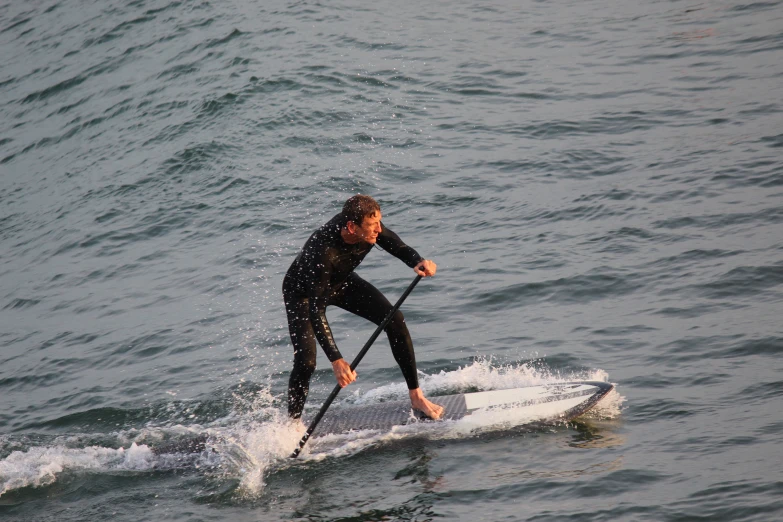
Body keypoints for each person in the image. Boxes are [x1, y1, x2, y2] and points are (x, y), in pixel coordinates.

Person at [283, 194, 444, 421]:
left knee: (395, 320)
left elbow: (397, 246)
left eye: (379, 222)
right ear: (351, 227)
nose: (378, 229)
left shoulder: (370, 226)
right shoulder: (322, 252)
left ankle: (417, 397)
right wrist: (336, 360)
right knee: (307, 362)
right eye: (372, 226)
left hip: (341, 282)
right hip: (304, 296)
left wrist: (417, 261)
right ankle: (293, 422)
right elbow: (316, 310)